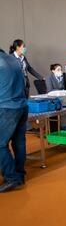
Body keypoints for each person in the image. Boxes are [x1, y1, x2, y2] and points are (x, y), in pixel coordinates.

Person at [0, 48, 28, 193]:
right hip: (22, 106)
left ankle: (12, 178)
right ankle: (20, 175)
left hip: (7, 108)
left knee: (0, 144)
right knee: (19, 142)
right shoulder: (13, 60)